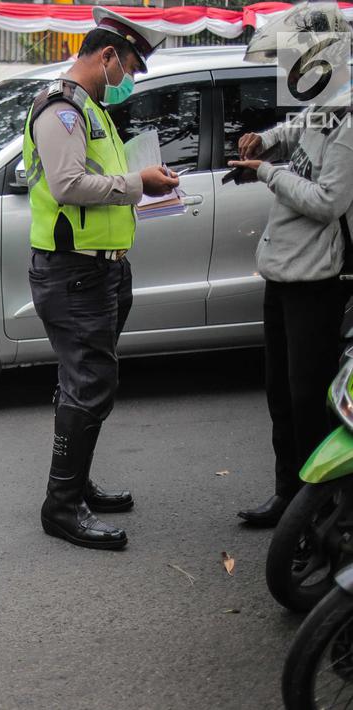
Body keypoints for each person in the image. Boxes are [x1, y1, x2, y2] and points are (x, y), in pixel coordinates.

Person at [22, 6, 179, 550]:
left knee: (85, 382)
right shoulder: (61, 110)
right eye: (129, 66)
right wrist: (139, 184)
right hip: (74, 273)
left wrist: (140, 189)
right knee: (89, 385)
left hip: (103, 268)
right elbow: (67, 185)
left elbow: (98, 179)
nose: (129, 79)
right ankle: (61, 507)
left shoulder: (90, 110)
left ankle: (76, 485)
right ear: (107, 55)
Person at [230, 5, 353, 527]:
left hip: (316, 281)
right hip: (281, 273)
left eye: (298, 61)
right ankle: (287, 496)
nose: (292, 72)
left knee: (308, 400)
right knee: (280, 394)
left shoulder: (348, 120)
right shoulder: (326, 107)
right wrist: (266, 140)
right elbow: (295, 126)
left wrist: (268, 172)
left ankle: (316, 512)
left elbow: (328, 201)